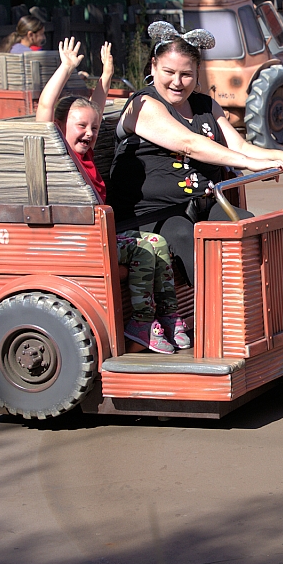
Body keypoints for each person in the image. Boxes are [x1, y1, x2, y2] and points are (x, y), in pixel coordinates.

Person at [106, 21, 283, 290]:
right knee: (184, 235)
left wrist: (280, 157)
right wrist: (253, 165)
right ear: (153, 67)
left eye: (186, 74)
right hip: (152, 214)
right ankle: (217, 320)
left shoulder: (205, 105)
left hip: (202, 205)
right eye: (169, 72)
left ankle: (265, 306)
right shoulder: (143, 105)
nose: (177, 82)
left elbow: (240, 147)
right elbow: (189, 143)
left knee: (249, 227)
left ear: (197, 72)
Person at [37, 37, 190, 354]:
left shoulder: (89, 154)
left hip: (102, 234)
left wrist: (107, 73)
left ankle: (168, 316)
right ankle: (142, 322)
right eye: (81, 127)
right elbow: (45, 108)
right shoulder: (57, 152)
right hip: (79, 240)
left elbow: (96, 108)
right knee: (151, 243)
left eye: (93, 129)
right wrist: (66, 68)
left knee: (157, 245)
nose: (89, 133)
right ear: (59, 127)